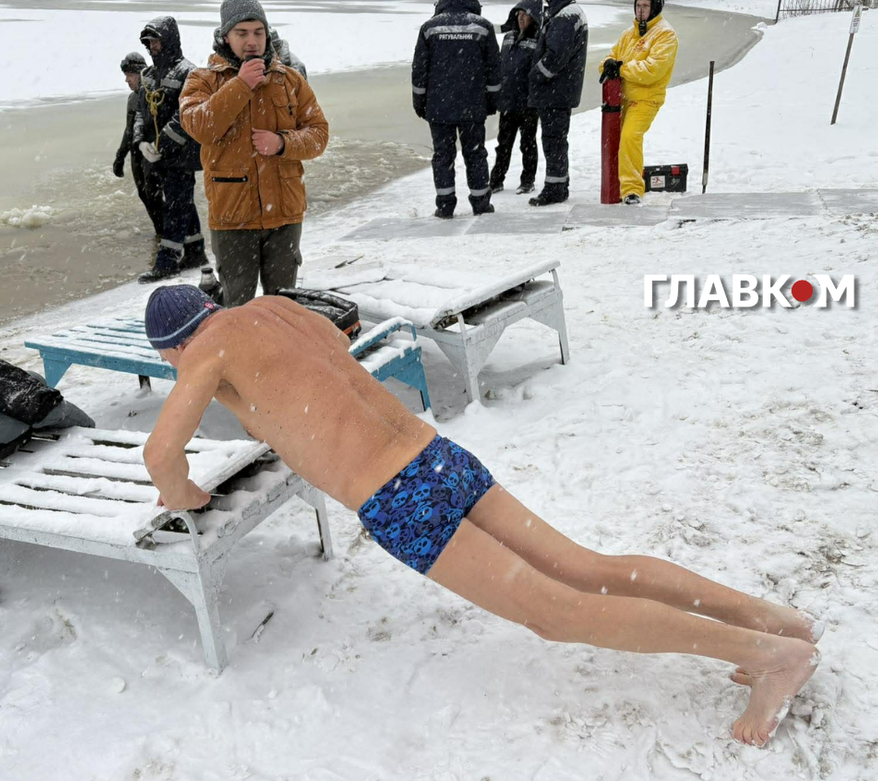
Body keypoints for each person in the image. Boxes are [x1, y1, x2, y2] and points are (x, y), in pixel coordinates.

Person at [140, 284, 824, 748]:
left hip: (396, 499)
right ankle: (772, 620)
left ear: (172, 347)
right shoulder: (275, 311)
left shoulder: (204, 352)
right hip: (435, 456)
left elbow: (162, 455)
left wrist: (187, 494)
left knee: (555, 612)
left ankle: (774, 658)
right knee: (586, 567)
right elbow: (326, 361)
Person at [179, 0, 329, 307]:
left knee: (284, 307)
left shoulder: (289, 80)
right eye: (242, 33)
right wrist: (240, 85)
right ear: (225, 36)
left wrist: (283, 142)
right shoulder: (202, 80)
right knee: (238, 309)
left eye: (258, 32)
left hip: (284, 216)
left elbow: (319, 134)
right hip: (233, 217)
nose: (252, 41)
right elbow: (199, 126)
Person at [132, 16, 218, 288]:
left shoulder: (189, 73)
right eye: (148, 42)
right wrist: (141, 142)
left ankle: (166, 262)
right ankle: (195, 251)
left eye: (156, 41)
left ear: (169, 40)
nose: (152, 47)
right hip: (158, 155)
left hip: (182, 155)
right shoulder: (148, 75)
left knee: (175, 205)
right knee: (181, 202)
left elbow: (187, 116)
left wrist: (161, 145)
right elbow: (140, 112)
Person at [411, 0, 501, 218]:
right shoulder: (483, 27)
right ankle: (481, 203)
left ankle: (445, 205)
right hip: (473, 105)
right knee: (475, 154)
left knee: (443, 156)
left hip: (439, 106)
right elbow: (493, 68)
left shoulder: (429, 28)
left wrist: (420, 101)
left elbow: (419, 69)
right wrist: (493, 100)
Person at [599, 0, 678, 205]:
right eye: (638, 6)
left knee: (630, 137)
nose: (640, 11)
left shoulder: (665, 35)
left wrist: (621, 68)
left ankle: (632, 190)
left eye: (645, 6)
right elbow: (609, 58)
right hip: (621, 99)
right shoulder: (628, 34)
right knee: (615, 142)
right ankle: (615, 186)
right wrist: (608, 65)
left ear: (655, 8)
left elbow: (652, 70)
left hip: (646, 99)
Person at [527, 0, 588, 207]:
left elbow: (555, 56)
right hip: (561, 91)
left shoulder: (565, 16)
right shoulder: (570, 13)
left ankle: (555, 189)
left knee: (553, 141)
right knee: (556, 141)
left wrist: (535, 75)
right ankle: (559, 185)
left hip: (555, 91)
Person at [490, 0, 544, 195]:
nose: (521, 18)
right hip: (508, 100)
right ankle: (496, 181)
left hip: (528, 102)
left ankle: (527, 181)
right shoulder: (508, 37)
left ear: (534, 17)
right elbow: (501, 65)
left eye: (525, 14)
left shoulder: (539, 40)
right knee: (503, 143)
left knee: (527, 143)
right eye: (519, 14)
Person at [113, 51, 164, 251]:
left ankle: (170, 235)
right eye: (125, 75)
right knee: (145, 195)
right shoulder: (132, 99)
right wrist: (120, 156)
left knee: (155, 196)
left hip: (153, 154)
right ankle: (161, 233)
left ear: (139, 73)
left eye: (129, 75)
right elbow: (129, 130)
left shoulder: (155, 94)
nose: (127, 80)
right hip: (137, 155)